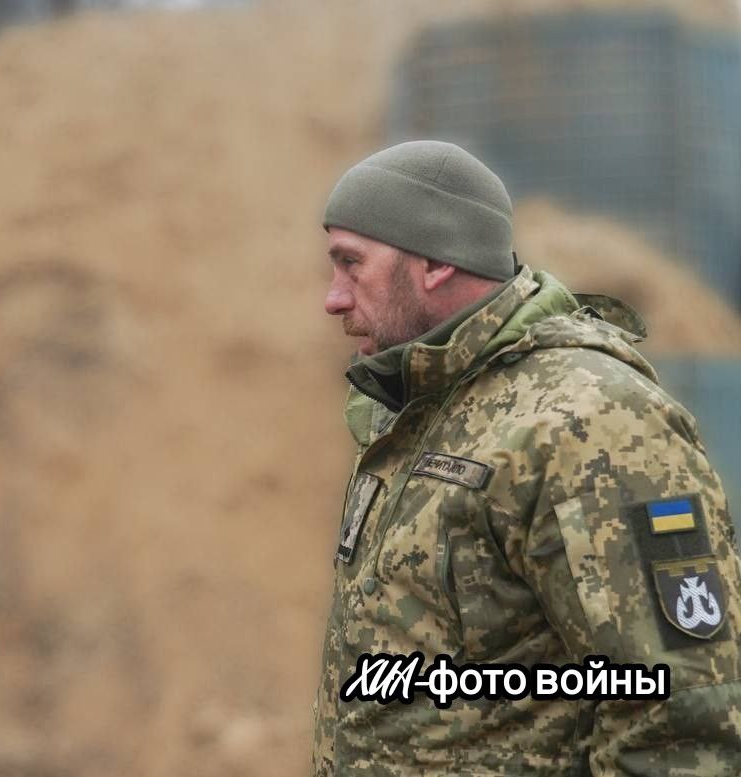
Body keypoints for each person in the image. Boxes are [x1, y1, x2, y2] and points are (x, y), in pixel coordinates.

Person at [311, 141, 741, 775]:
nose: (334, 298)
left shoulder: (589, 421)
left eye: (352, 264)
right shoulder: (418, 408)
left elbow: (682, 718)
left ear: (435, 262)